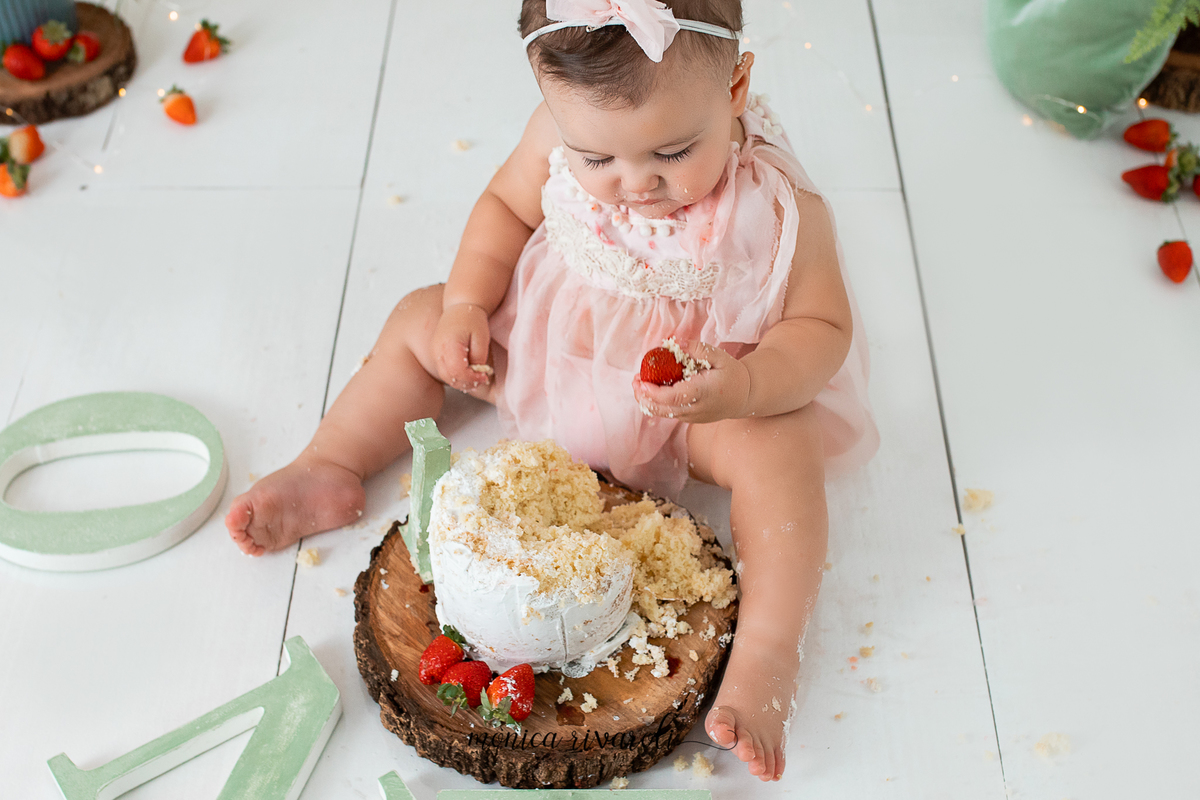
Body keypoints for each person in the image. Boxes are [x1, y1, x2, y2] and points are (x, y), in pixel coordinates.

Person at [227, 0, 878, 782]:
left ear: (736, 87)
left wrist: (742, 383)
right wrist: (469, 305)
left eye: (673, 151)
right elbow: (503, 207)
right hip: (545, 358)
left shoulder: (773, 202)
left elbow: (820, 327)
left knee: (781, 450)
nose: (636, 185)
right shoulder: (554, 137)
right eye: (596, 160)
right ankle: (330, 461)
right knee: (417, 316)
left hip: (684, 410)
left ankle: (768, 657)